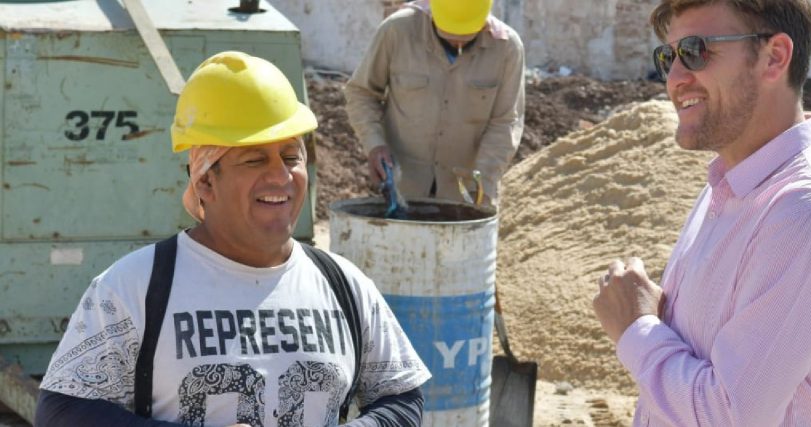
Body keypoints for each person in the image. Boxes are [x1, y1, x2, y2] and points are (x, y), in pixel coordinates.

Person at [35, 51, 431, 427]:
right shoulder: (134, 288)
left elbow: (403, 397)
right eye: (254, 159)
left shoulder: (343, 284)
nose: (281, 177)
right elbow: (61, 412)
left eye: (291, 157)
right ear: (205, 180)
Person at [591, 1, 811, 425]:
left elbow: (730, 414)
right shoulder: (731, 187)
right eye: (667, 57)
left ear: (774, 57)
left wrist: (636, 327)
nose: (674, 78)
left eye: (696, 51)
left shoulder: (810, 213)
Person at [345, 0, 525, 207]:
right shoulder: (397, 31)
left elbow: (506, 121)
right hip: (401, 189)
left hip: (467, 195)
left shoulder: (507, 48)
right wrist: (374, 143)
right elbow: (361, 92)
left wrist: (483, 181)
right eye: (449, 38)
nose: (458, 46)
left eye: (466, 40)